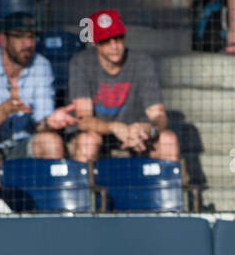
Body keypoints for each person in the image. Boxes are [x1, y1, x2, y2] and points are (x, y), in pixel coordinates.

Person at [67, 9, 179, 164]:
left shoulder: (142, 62)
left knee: (168, 139)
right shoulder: (81, 63)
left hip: (136, 133)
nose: (114, 46)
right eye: (106, 40)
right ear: (94, 42)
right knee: (88, 140)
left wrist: (146, 129)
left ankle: (167, 188)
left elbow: (159, 115)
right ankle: (86, 188)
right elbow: (83, 120)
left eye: (118, 38)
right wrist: (114, 127)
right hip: (97, 133)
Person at [0, 11, 75, 160]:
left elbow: (40, 124)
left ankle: (49, 184)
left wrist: (49, 122)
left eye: (31, 37)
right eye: (19, 37)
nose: (27, 44)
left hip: (21, 144)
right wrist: (7, 107)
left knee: (51, 141)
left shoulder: (41, 65)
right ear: (2, 40)